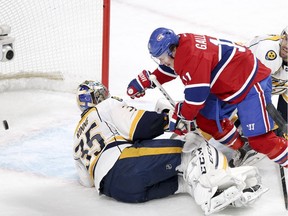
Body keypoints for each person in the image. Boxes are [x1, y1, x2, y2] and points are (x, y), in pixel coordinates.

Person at [73, 80, 268, 215]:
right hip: (125, 164)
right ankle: (218, 187)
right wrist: (171, 120)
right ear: (98, 96)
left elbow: (86, 181)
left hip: (116, 190)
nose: (106, 95)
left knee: (184, 179)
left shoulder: (76, 137)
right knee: (192, 148)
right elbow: (139, 125)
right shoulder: (106, 106)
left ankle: (226, 194)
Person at [126, 27, 287, 168]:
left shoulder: (191, 57)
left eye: (161, 58)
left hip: (250, 83)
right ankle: (242, 148)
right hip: (229, 82)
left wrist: (180, 115)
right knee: (206, 118)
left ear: (171, 50)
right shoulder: (181, 44)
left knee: (260, 140)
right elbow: (173, 68)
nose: (161, 62)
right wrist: (149, 80)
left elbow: (196, 99)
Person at [246, 26, 288, 137]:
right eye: (287, 39)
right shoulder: (269, 51)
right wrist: (279, 122)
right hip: (239, 81)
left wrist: (283, 128)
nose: (287, 46)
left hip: (260, 86)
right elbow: (255, 94)